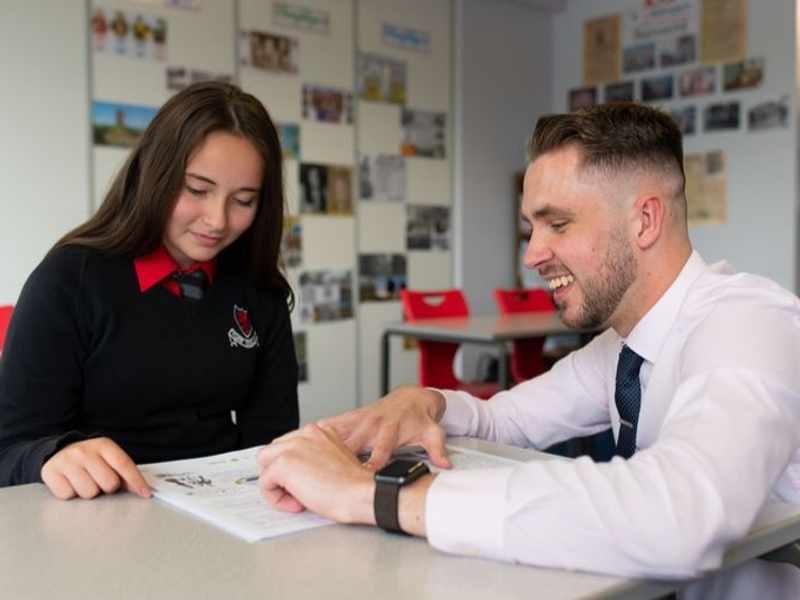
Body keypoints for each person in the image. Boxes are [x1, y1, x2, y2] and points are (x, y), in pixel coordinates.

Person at [255, 103, 800, 600]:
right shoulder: (623, 348)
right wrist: (427, 403)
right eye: (531, 227)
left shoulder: (749, 320)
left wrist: (372, 497)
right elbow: (506, 420)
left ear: (644, 220)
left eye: (557, 223)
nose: (533, 253)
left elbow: (681, 513)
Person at [0, 82, 299, 499]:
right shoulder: (70, 279)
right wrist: (52, 455)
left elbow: (273, 442)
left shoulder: (258, 291)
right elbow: (9, 451)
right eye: (197, 190)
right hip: (101, 511)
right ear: (153, 176)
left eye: (244, 200)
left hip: (226, 510)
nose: (217, 220)